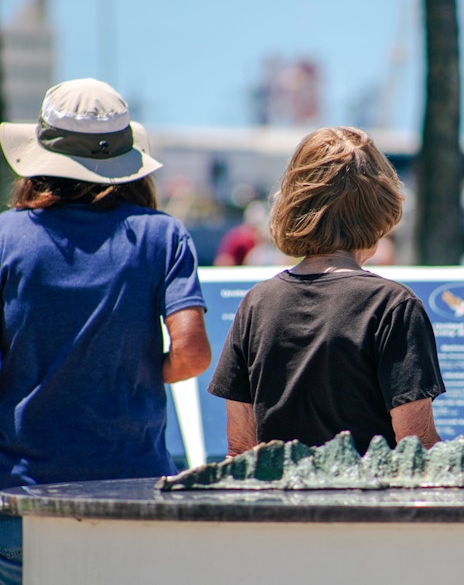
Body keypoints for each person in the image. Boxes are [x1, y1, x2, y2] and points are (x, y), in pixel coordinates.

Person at [0, 78, 211, 583]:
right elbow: (193, 353)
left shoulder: (6, 236)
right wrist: (137, 371)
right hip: (133, 491)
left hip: (20, 497)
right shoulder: (162, 235)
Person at [208, 126, 445, 460]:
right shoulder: (394, 306)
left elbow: (240, 449)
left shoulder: (257, 303)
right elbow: (416, 445)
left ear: (294, 202)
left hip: (278, 505)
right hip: (364, 507)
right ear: (381, 206)